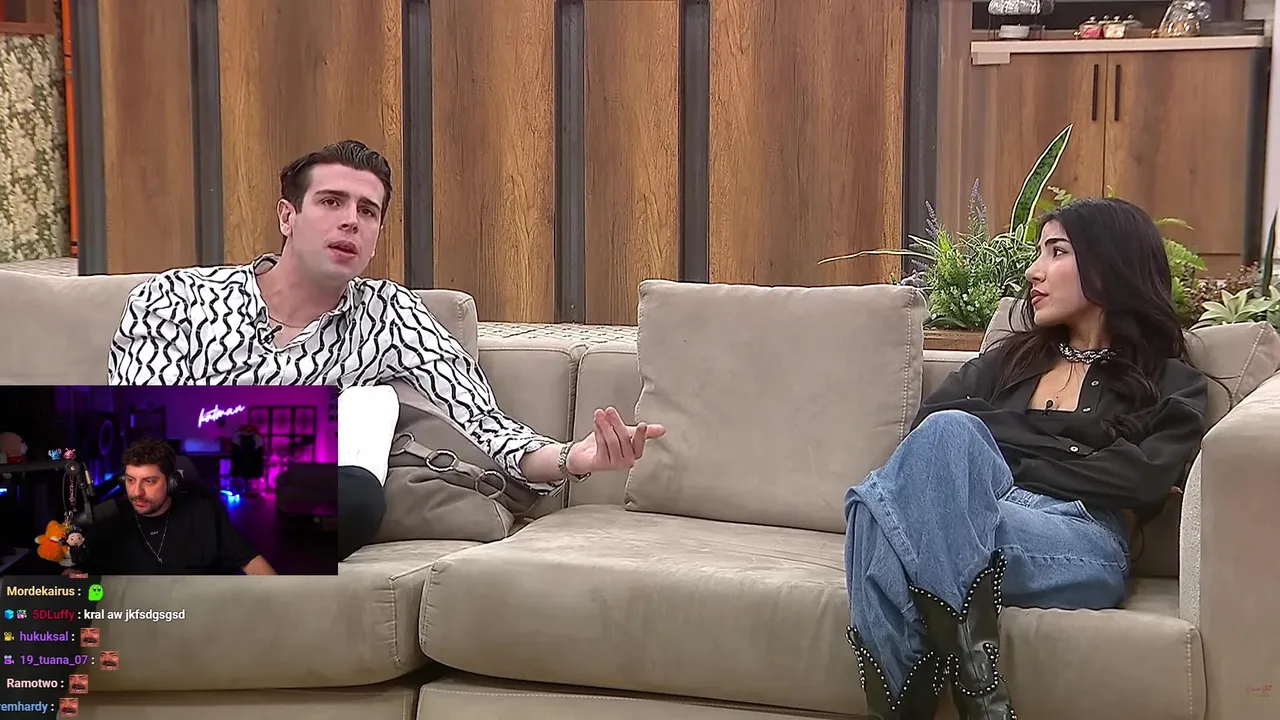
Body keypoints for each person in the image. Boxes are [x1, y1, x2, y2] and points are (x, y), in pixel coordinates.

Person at [106, 140, 664, 560]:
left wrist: (574, 458)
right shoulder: (175, 297)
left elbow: (486, 427)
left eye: (368, 212)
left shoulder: (389, 314)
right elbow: (143, 427)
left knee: (354, 496)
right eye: (331, 202)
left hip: (282, 502)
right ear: (287, 216)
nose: (351, 220)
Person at [843, 198, 1210, 720]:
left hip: (1081, 536)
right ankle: (976, 695)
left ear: (1111, 263)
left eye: (1056, 252)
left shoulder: (1169, 380)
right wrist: (1073, 450)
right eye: (1039, 254)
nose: (1034, 272)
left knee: (877, 511)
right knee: (938, 443)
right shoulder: (1010, 360)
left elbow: (1142, 480)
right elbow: (931, 429)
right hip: (976, 517)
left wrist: (1006, 448)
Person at [71, 438, 276, 575]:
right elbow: (78, 571)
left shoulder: (203, 514)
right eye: (131, 480)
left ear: (172, 483)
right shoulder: (110, 519)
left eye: (149, 481)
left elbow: (251, 561)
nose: (136, 492)